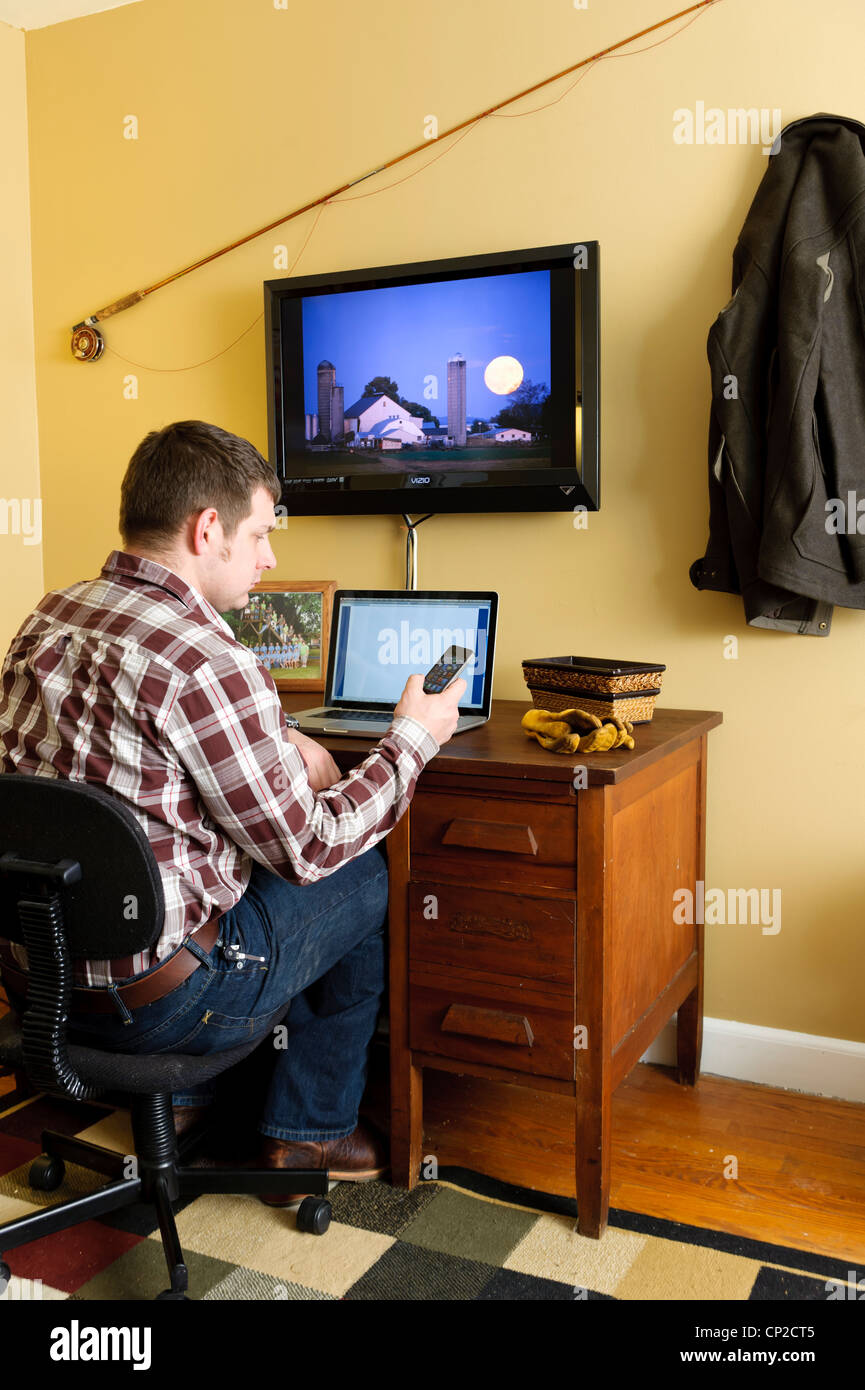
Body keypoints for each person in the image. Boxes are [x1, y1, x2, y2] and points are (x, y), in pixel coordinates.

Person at [0, 420, 465, 1198]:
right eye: (259, 535)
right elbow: (310, 850)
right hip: (158, 1007)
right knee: (360, 873)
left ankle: (184, 1104)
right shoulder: (207, 657)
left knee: (202, 863)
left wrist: (277, 736)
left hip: (36, 978)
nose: (270, 558)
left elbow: (129, 763)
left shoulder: (51, 616)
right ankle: (306, 1134)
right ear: (207, 528)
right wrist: (411, 740)